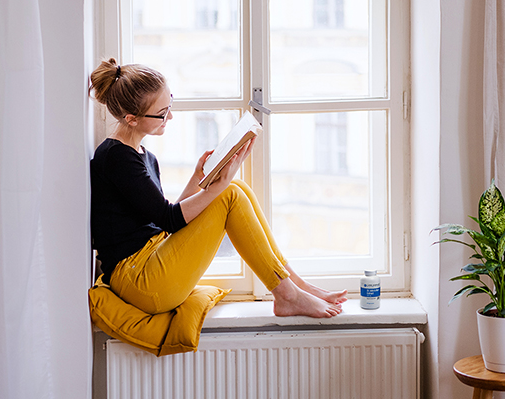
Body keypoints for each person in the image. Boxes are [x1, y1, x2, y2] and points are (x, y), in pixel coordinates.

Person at [89, 58, 347, 319]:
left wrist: (197, 177)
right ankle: (288, 295)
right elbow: (169, 219)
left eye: (170, 104)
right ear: (131, 119)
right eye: (162, 112)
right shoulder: (116, 157)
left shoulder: (142, 155)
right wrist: (216, 187)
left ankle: (296, 285)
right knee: (230, 193)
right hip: (139, 281)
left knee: (237, 187)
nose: (171, 116)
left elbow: (161, 220)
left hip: (149, 261)